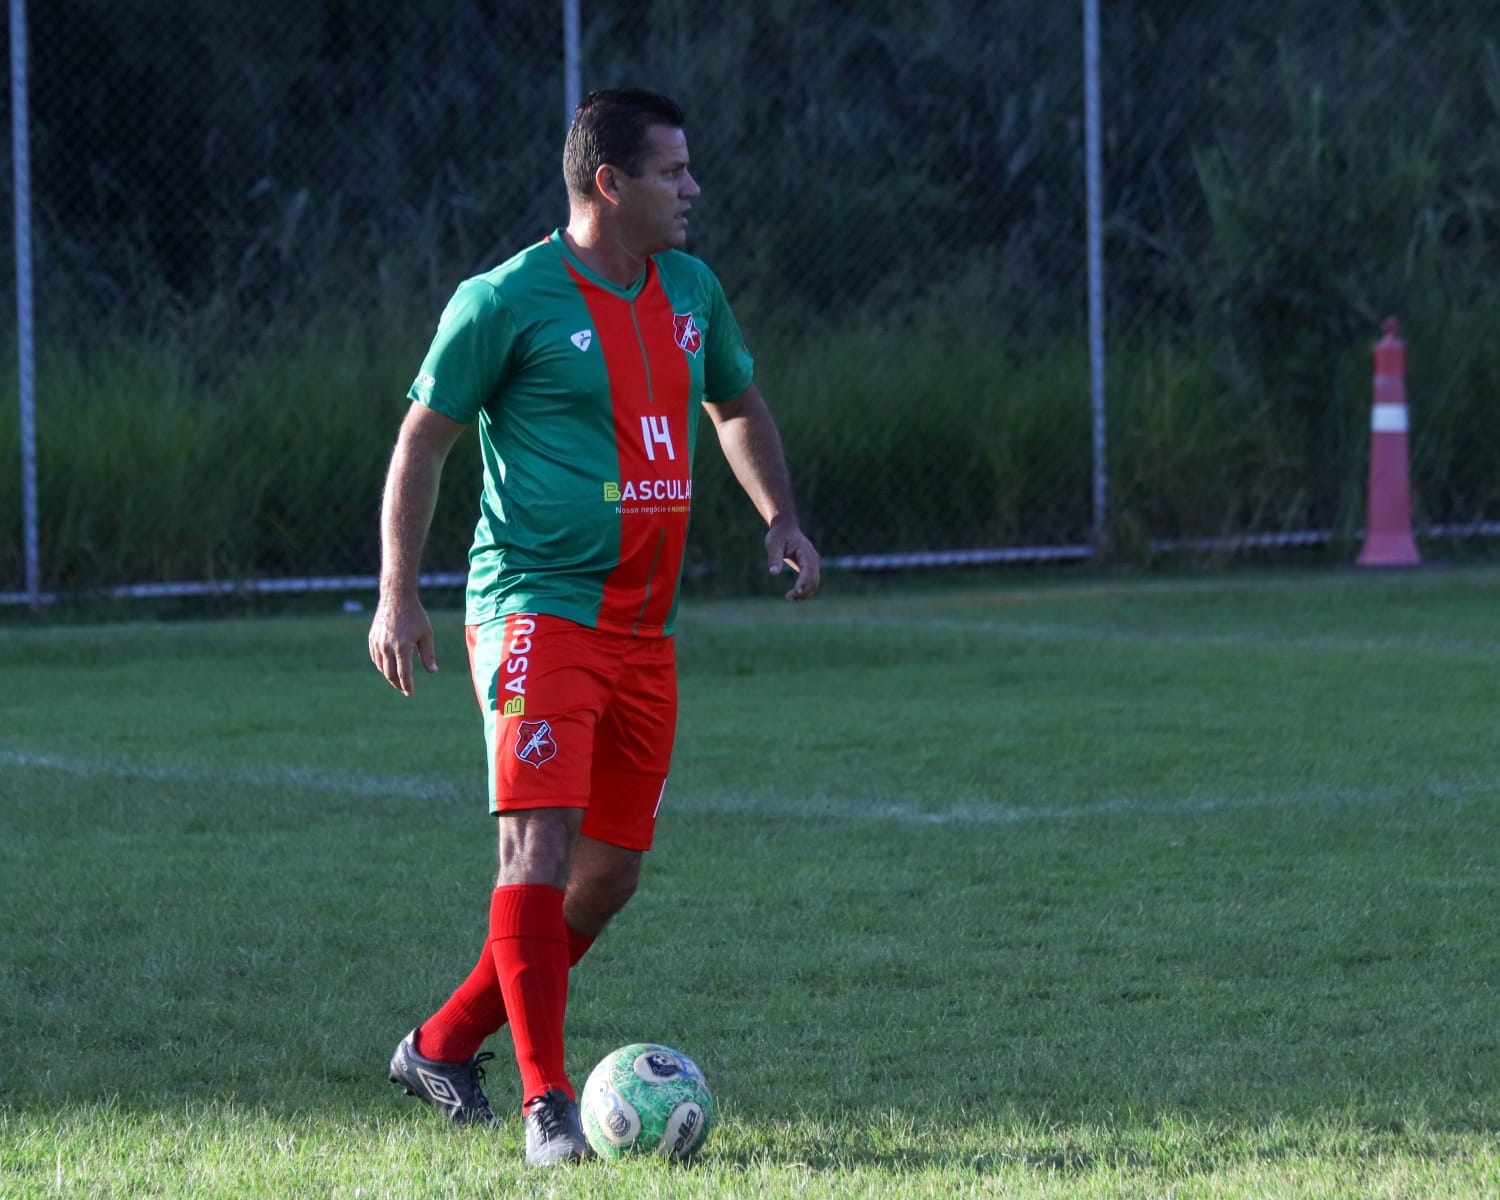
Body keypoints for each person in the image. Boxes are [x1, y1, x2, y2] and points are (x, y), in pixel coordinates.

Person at [367, 87, 820, 1166]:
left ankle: (439, 1043)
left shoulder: (693, 292)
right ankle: (546, 1107)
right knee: (537, 843)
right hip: (535, 610)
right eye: (673, 172)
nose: (693, 188)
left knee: (609, 874)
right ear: (609, 185)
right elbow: (421, 443)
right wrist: (397, 590)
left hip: (642, 632)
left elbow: (738, 407)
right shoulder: (506, 300)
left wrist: (781, 519)